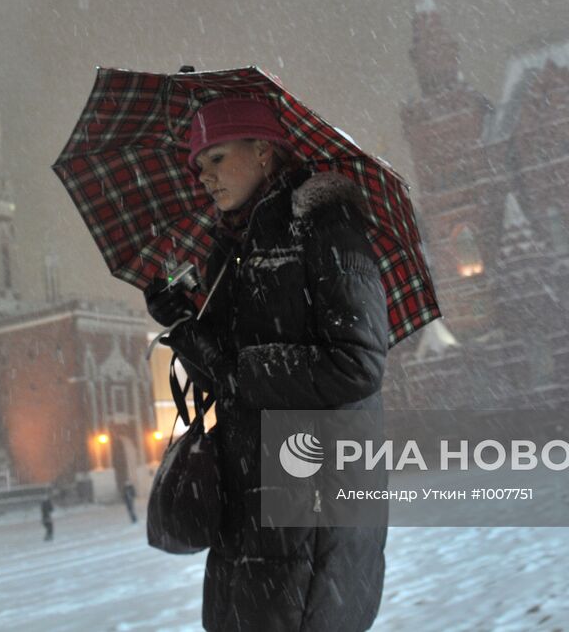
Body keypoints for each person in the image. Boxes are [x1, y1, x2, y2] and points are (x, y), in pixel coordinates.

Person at [147, 98, 389, 632]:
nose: (204, 177)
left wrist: (235, 366)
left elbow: (357, 362)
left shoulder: (325, 224)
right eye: (197, 166)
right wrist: (187, 327)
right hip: (248, 507)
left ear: (262, 151)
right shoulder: (228, 251)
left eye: (214, 157)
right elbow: (231, 381)